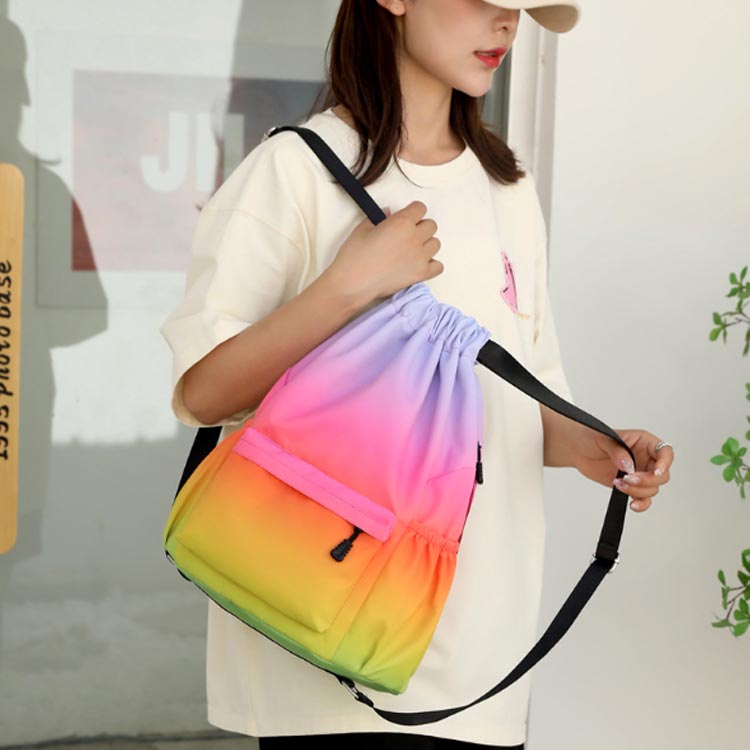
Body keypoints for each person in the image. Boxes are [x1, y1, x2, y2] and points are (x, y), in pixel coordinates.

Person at [160, 1, 675, 747]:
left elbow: (525, 394)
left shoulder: (507, 189)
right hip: (321, 634)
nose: (506, 22)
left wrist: (598, 448)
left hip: (481, 661)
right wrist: (346, 287)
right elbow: (204, 392)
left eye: (519, 7)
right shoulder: (295, 169)